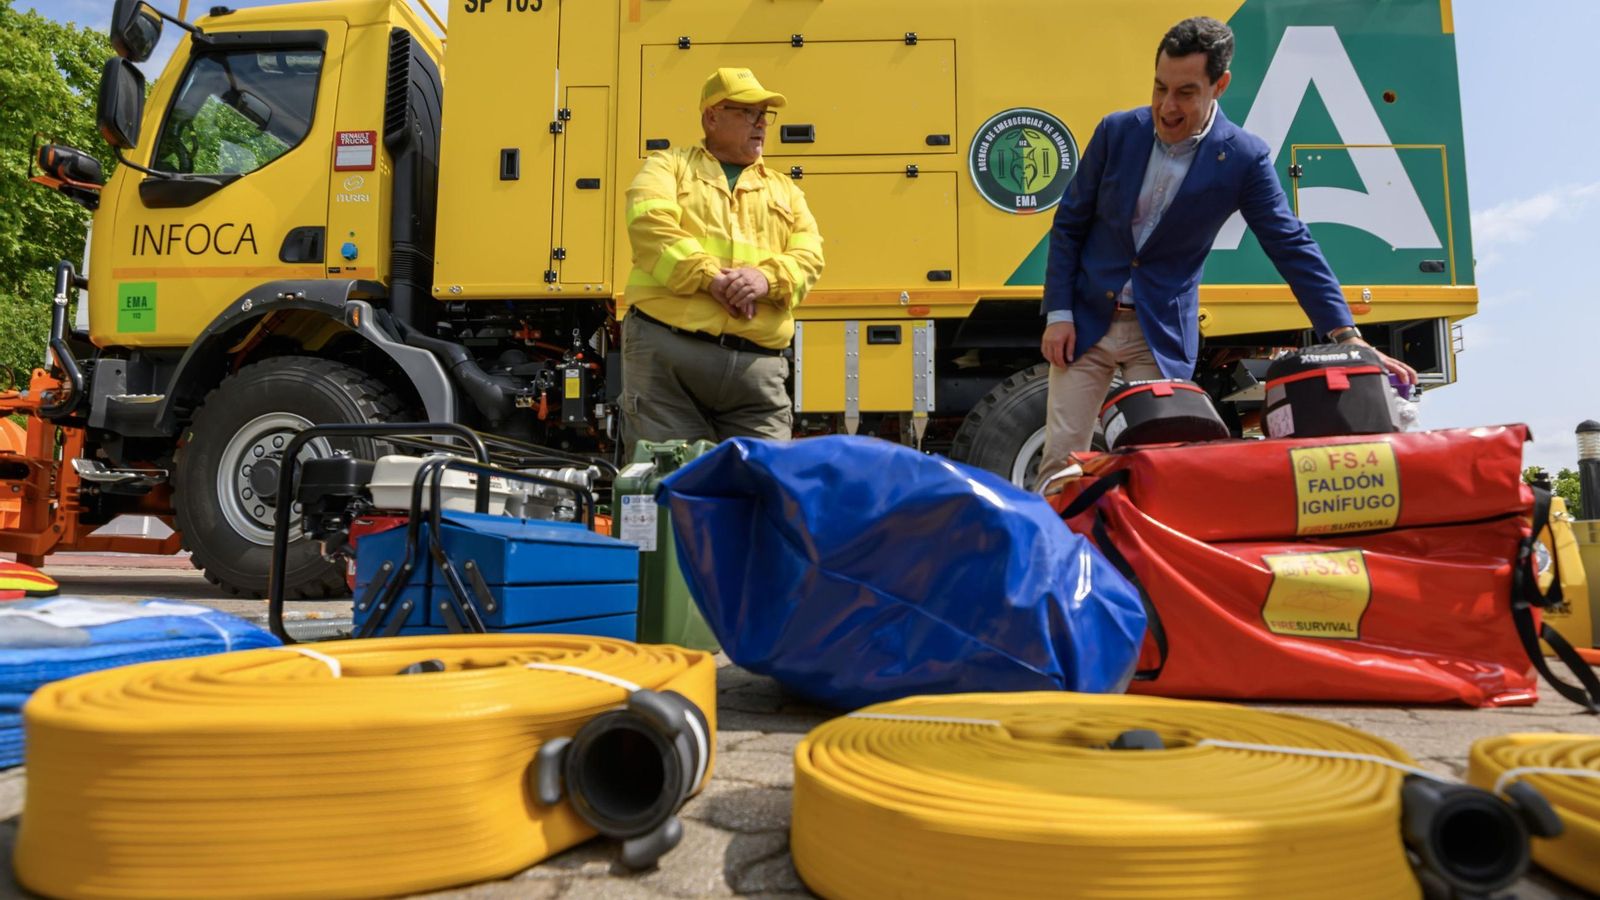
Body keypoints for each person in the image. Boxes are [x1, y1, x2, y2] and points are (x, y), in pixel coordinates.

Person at [1038, 16, 1416, 485]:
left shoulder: (1243, 157)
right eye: (1159, 88)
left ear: (1220, 85)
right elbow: (1069, 224)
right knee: (1062, 463)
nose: (1166, 107)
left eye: (1186, 93)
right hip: (1085, 320)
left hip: (1158, 333)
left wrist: (1346, 334)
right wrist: (1058, 313)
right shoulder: (1117, 133)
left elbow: (1290, 244)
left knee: (1156, 467)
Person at [619, 67, 825, 451]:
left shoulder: (785, 189)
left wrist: (765, 280)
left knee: (765, 488)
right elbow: (649, 225)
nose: (761, 123)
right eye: (748, 112)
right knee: (674, 485)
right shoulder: (668, 166)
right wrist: (711, 278)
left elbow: (810, 256)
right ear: (711, 117)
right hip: (670, 363)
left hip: (756, 371)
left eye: (765, 114)